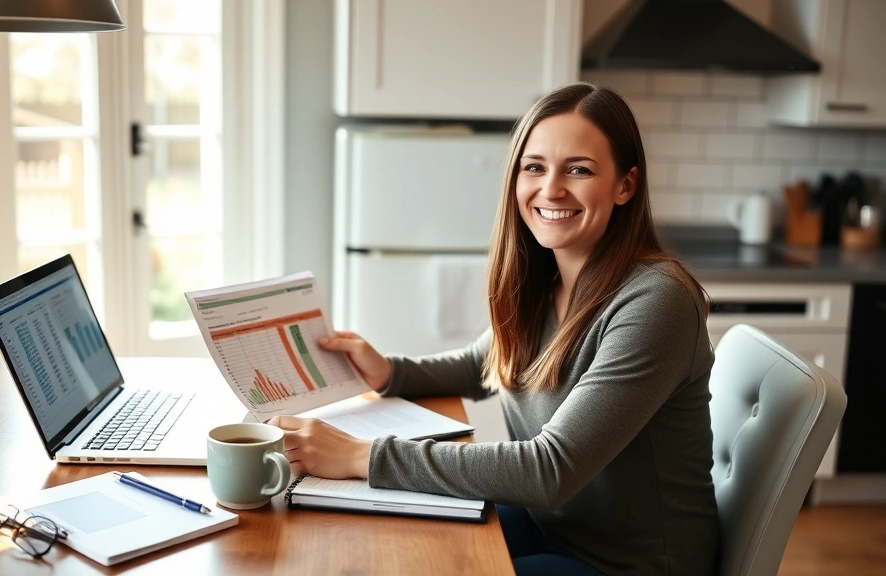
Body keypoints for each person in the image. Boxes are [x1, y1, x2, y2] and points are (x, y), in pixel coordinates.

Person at [270, 82, 719, 576]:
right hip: (552, 528)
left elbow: (550, 470)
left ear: (625, 185)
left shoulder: (657, 301)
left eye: (579, 169)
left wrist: (360, 455)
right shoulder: (549, 277)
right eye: (535, 167)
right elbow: (481, 364)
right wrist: (389, 373)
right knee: (395, 540)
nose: (551, 189)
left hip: (629, 566)